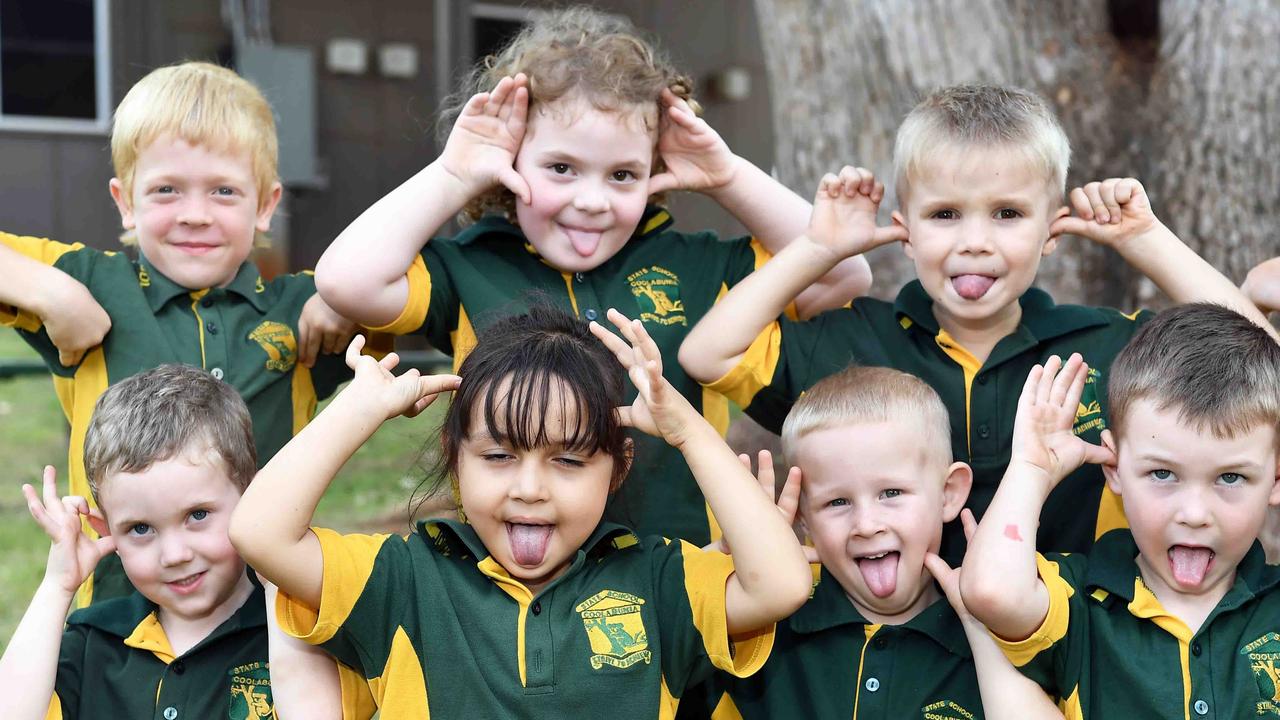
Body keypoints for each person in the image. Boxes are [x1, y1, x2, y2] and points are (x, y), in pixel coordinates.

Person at [313, 7, 872, 546]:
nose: (592, 201)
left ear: (654, 171)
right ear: (509, 161)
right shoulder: (471, 264)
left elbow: (841, 271)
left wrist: (726, 175)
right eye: (562, 168)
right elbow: (346, 280)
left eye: (623, 174)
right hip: (513, 580)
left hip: (683, 576)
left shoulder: (700, 265)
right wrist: (454, 172)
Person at [679, 85, 1276, 561]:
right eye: (944, 214)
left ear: (1052, 230)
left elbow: (1258, 361)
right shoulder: (853, 339)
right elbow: (709, 356)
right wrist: (818, 247)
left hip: (1071, 649)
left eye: (1008, 214)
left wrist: (1147, 240)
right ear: (904, 230)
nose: (974, 243)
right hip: (890, 654)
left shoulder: (1101, 344)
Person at [229, 305, 812, 718]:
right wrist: (357, 409)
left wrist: (689, 432)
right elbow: (260, 533)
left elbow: (781, 585)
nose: (529, 488)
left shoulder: (660, 583)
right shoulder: (404, 581)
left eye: (568, 461)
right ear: (454, 461)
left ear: (619, 468)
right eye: (500, 455)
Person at [0, 61, 358, 605]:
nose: (195, 214)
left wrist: (344, 292)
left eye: (224, 192)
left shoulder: (300, 309)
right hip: (118, 627)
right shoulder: (92, 282)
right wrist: (53, 295)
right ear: (125, 201)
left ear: (265, 205)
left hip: (271, 625)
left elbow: (409, 273)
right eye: (166, 190)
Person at [960, 304, 1280, 718]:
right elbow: (991, 591)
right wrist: (1031, 468)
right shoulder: (1080, 604)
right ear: (1114, 469)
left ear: (1274, 481)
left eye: (1231, 478)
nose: (1195, 513)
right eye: (1163, 473)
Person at [0, 365, 368, 720]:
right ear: (106, 531)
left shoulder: (305, 628)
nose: (175, 555)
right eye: (141, 529)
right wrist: (57, 585)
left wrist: (276, 575)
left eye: (198, 515)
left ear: (253, 498)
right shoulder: (94, 642)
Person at [706, 367, 1062, 719]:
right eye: (837, 502)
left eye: (891, 493)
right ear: (803, 516)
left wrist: (978, 628)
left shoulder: (1006, 634)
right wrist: (735, 561)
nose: (866, 525)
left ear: (948, 494)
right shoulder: (762, 626)